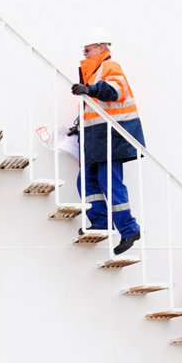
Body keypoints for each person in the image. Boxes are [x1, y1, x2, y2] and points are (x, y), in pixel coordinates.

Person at [70, 27, 145, 255]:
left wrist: (90, 89)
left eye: (88, 48)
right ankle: (101, 221)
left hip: (112, 137)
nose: (84, 53)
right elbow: (97, 110)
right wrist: (79, 127)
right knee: (86, 181)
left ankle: (129, 228)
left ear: (101, 47)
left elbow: (115, 91)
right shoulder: (92, 72)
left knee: (109, 181)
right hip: (97, 138)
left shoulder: (109, 66)